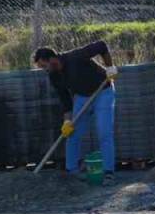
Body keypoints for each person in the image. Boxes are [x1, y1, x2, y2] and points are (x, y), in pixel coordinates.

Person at [33, 43, 118, 183]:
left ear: (52, 59)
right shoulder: (54, 76)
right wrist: (67, 121)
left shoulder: (76, 57)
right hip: (81, 97)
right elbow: (65, 100)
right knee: (71, 133)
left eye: (44, 66)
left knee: (104, 132)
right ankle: (71, 172)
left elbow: (101, 46)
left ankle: (109, 172)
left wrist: (110, 68)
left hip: (103, 92)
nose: (45, 70)